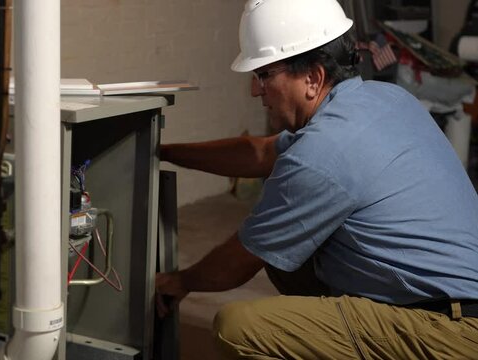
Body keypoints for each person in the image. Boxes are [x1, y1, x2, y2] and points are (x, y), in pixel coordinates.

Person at [155, 0, 478, 358]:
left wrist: (178, 282)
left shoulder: (322, 154)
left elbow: (239, 261)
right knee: (292, 263)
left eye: (264, 75)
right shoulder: (384, 98)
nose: (254, 90)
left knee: (240, 327)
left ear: (312, 78)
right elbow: (260, 153)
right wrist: (163, 151)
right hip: (450, 300)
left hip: (454, 331)